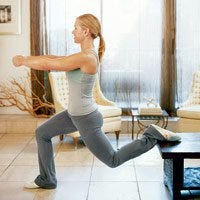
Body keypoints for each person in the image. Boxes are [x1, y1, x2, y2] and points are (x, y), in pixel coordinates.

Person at [12, 13, 181, 189]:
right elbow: (55, 59)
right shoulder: (82, 54)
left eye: (76, 28)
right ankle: (47, 179)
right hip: (73, 114)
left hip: (86, 119)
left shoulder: (87, 57)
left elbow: (49, 64)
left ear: (85, 31)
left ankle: (151, 136)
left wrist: (24, 60)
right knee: (42, 133)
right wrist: (31, 59)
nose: (72, 31)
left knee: (113, 160)